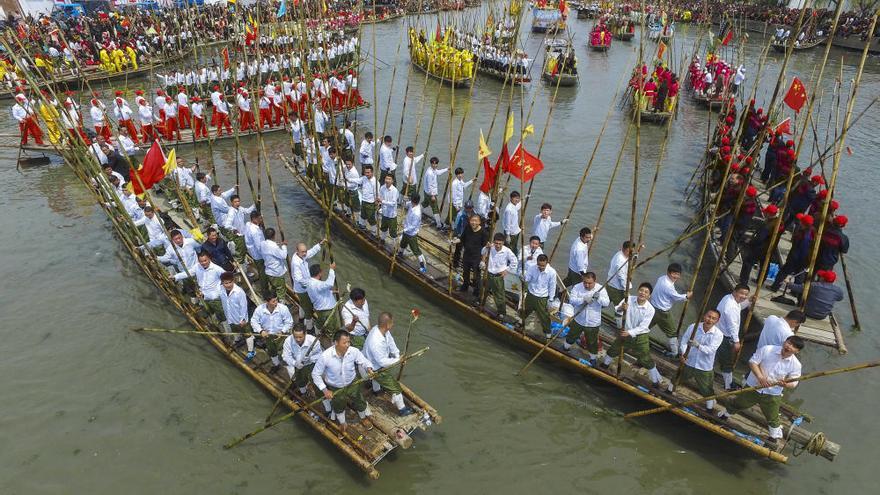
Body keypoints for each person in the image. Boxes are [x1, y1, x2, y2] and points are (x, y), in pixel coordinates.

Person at [719, 336, 804, 445]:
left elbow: (794, 382)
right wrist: (760, 377)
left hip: (772, 392)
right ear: (785, 342)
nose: (789, 346)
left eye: (793, 346)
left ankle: (773, 437)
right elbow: (753, 362)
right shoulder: (768, 349)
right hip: (754, 386)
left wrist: (786, 384)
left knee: (772, 415)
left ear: (797, 351)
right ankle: (724, 415)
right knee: (740, 403)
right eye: (788, 343)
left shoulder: (796, 364)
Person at [602, 282, 664, 388]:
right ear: (638, 290)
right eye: (641, 290)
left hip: (640, 336)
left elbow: (643, 327)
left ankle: (655, 382)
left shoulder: (650, 309)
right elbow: (617, 309)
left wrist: (630, 332)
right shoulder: (628, 299)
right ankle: (604, 365)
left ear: (649, 296)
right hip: (625, 332)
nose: (642, 293)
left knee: (645, 358)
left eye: (646, 292)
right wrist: (622, 307)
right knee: (614, 349)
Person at [312, 330, 375, 432]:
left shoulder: (353, 351)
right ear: (336, 343)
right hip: (335, 387)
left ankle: (363, 418)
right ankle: (342, 423)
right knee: (338, 405)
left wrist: (369, 368)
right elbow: (315, 374)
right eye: (344, 343)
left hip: (352, 383)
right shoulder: (325, 356)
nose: (347, 345)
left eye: (348, 342)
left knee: (359, 400)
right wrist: (325, 390)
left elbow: (363, 361)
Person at [669, 309, 723, 411]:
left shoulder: (718, 334)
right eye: (708, 316)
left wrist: (698, 345)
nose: (710, 320)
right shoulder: (693, 327)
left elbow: (710, 350)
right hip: (689, 361)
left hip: (704, 366)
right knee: (677, 377)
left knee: (707, 389)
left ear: (717, 321)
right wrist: (684, 353)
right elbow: (684, 340)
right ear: (704, 316)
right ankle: (668, 392)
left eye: (713, 318)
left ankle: (709, 409)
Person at [363, 312, 415, 416]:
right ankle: (402, 410)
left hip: (375, 363)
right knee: (395, 387)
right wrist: (398, 361)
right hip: (373, 366)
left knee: (376, 377)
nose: (393, 324)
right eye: (392, 323)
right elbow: (382, 361)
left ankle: (376, 391)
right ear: (387, 325)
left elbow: (391, 343)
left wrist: (397, 355)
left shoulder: (382, 330)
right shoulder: (376, 341)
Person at [649, 263, 693, 357]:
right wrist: (687, 296)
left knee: (646, 325)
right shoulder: (668, 286)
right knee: (672, 332)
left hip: (652, 307)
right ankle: (674, 353)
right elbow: (677, 297)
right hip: (662, 312)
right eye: (674, 274)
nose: (676, 276)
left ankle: (634, 337)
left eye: (678, 274)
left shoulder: (661, 278)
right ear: (668, 273)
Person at [565, 271, 610, 363]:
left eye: (589, 283)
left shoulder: (600, 289)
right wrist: (583, 299)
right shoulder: (577, 287)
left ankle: (593, 358)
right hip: (579, 319)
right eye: (585, 282)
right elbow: (572, 300)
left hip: (593, 322)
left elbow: (607, 303)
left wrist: (599, 298)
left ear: (595, 281)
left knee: (592, 342)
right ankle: (565, 348)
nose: (587, 285)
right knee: (571, 335)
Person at [715, 284, 753, 390]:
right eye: (741, 293)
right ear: (735, 292)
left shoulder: (728, 298)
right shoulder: (730, 306)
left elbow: (738, 306)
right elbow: (732, 325)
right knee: (727, 361)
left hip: (719, 332)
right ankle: (728, 385)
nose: (743, 296)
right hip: (724, 336)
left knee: (716, 357)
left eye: (746, 294)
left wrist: (748, 301)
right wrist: (736, 341)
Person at [248, 293, 294, 369]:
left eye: (276, 300)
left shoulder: (283, 308)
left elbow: (289, 322)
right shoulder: (260, 309)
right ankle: (276, 364)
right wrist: (261, 331)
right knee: (272, 351)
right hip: (268, 336)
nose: (276, 303)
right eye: (273, 301)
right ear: (267, 302)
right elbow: (254, 321)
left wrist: (282, 331)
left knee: (286, 350)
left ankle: (290, 365)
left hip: (282, 335)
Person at [290, 239, 325, 330]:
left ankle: (301, 317)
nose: (305, 253)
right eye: (303, 252)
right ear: (297, 251)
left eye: (305, 251)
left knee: (303, 304)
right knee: (308, 308)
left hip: (303, 288)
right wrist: (311, 283)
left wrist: (319, 245)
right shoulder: (296, 262)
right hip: (302, 289)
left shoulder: (301, 256)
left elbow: (310, 252)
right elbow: (298, 279)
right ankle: (309, 327)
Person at [482, 232, 518, 320]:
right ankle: (481, 303)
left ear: (503, 243)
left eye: (500, 244)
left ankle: (502, 312)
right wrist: (486, 247)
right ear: (494, 242)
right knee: (483, 290)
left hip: (498, 276)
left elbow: (514, 262)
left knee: (499, 295)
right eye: (496, 243)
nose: (498, 245)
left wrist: (507, 270)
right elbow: (483, 252)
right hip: (488, 273)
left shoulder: (507, 251)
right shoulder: (491, 247)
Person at [523, 254, 558, 339]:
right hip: (531, 294)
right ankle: (521, 322)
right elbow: (527, 279)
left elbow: (552, 286)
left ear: (547, 263)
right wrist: (524, 277)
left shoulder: (552, 272)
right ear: (537, 263)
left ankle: (547, 332)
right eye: (539, 265)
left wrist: (551, 298)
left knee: (544, 315)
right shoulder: (532, 268)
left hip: (542, 297)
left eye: (543, 265)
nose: (541, 267)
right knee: (526, 310)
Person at [281, 326, 323, 395]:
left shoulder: (313, 341)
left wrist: (310, 358)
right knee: (300, 380)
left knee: (315, 381)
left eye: (300, 337)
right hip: (297, 365)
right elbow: (285, 356)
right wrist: (295, 363)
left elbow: (319, 355)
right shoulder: (288, 341)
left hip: (311, 364)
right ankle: (303, 392)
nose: (298, 340)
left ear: (305, 334)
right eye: (295, 337)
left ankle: (321, 396)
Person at [455, 214, 489, 296]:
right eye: (472, 220)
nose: (473, 222)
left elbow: (486, 248)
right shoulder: (467, 228)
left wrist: (483, 261)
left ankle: (477, 292)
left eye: (476, 221)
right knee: (465, 272)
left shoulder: (483, 232)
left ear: (479, 222)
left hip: (476, 257)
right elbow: (461, 239)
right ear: (469, 221)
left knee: (476, 276)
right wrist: (453, 241)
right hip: (467, 254)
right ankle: (465, 286)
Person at [191, 251, 226, 320]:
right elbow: (188, 272)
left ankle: (225, 327)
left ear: (209, 259)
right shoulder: (197, 267)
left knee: (221, 315)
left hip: (215, 298)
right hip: (203, 296)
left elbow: (227, 277)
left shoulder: (217, 269)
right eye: (201, 261)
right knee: (207, 313)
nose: (203, 263)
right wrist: (175, 277)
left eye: (205, 260)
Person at [307, 262, 339, 334]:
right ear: (319, 273)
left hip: (319, 309)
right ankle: (333, 341)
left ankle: (317, 332)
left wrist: (333, 292)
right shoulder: (317, 284)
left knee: (320, 321)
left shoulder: (309, 282)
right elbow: (329, 283)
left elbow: (320, 293)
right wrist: (331, 270)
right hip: (327, 310)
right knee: (333, 328)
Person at [400, 193, 428, 272]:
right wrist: (404, 200)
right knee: (403, 243)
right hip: (406, 230)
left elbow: (413, 226)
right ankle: (400, 253)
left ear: (413, 200)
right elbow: (404, 205)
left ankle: (422, 265)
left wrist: (403, 230)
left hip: (411, 233)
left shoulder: (417, 213)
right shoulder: (411, 204)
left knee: (415, 249)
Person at [220, 271, 250, 345]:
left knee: (248, 334)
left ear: (233, 281)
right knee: (234, 329)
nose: (228, 285)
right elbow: (213, 294)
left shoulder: (239, 292)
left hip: (240, 318)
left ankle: (251, 350)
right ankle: (237, 340)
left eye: (230, 282)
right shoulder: (221, 289)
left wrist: (243, 319)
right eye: (226, 283)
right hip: (230, 316)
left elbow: (244, 306)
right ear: (222, 283)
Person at [260, 227, 289, 302]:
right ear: (274, 236)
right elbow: (283, 256)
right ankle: (281, 304)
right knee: (281, 290)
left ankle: (274, 299)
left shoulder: (263, 244)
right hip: (277, 273)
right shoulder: (274, 247)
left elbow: (271, 248)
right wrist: (284, 246)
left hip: (269, 272)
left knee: (273, 287)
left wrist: (278, 244)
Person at [421, 157, 449, 228]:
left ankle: (417, 211)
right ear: (431, 164)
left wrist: (446, 169)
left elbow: (438, 172)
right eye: (433, 164)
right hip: (430, 193)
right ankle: (439, 224)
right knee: (435, 208)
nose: (435, 165)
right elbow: (430, 185)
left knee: (425, 203)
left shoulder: (432, 169)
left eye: (436, 163)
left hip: (426, 192)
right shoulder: (430, 173)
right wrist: (433, 195)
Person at [606, 241, 634, 306]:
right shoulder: (620, 260)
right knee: (620, 307)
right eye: (628, 251)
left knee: (605, 302)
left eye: (631, 252)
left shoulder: (620, 253)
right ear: (623, 249)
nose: (630, 253)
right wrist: (626, 290)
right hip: (616, 288)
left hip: (610, 284)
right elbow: (621, 276)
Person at [379, 174, 400, 241]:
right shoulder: (382, 188)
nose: (387, 180)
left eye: (389, 179)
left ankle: (395, 245)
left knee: (393, 232)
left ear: (392, 181)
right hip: (384, 213)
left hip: (391, 215)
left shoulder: (395, 190)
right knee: (383, 228)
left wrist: (383, 201)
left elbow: (393, 203)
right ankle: (382, 239)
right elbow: (380, 198)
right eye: (386, 179)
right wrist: (379, 202)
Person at [357, 165, 378, 229]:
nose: (367, 174)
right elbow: (357, 181)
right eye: (365, 172)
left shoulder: (375, 182)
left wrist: (376, 203)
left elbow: (377, 194)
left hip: (370, 202)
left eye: (368, 172)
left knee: (371, 218)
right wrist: (347, 179)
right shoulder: (364, 178)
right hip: (364, 200)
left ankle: (374, 231)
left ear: (372, 172)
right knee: (363, 215)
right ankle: (362, 226)